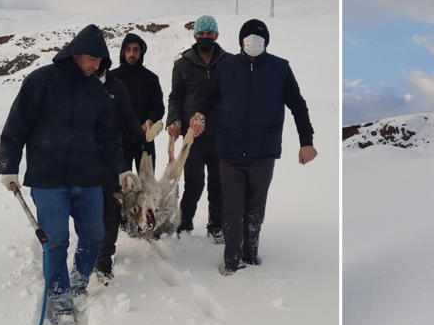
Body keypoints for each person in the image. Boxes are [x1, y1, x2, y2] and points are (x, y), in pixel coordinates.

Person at [0, 24, 133, 325]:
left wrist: (121, 169)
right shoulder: (41, 81)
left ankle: (77, 283)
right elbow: (16, 125)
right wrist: (9, 166)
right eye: (92, 58)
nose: (96, 65)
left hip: (87, 179)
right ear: (76, 52)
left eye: (101, 60)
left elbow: (106, 137)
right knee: (55, 242)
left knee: (95, 235)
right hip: (48, 180)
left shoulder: (97, 91)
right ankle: (59, 302)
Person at [191, 19, 318, 275]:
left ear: (267, 42)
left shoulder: (280, 69)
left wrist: (307, 142)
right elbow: (209, 98)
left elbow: (298, 105)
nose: (253, 42)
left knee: (255, 208)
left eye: (259, 38)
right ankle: (232, 261)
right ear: (240, 41)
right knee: (232, 208)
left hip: (263, 152)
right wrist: (199, 115)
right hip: (230, 150)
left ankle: (250, 256)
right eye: (248, 37)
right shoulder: (226, 67)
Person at [93, 61, 160, 286]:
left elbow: (129, 117)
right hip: (80, 162)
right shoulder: (77, 82)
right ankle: (86, 255)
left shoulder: (117, 87)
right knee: (85, 213)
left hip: (111, 159)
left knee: (110, 212)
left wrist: (144, 137)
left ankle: (103, 262)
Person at [166, 15, 229, 241]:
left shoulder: (228, 63)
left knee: (218, 185)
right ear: (195, 36)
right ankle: (184, 226)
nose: (205, 38)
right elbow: (175, 98)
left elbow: (233, 97)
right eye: (201, 34)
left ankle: (216, 226)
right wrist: (174, 121)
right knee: (193, 184)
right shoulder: (182, 64)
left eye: (209, 34)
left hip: (221, 135)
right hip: (192, 138)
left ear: (216, 36)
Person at [111, 33, 164, 171]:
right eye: (128, 49)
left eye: (135, 50)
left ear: (141, 52)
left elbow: (159, 108)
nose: (131, 54)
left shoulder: (151, 78)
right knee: (120, 187)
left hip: (145, 140)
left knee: (146, 187)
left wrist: (150, 121)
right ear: (123, 51)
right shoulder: (112, 78)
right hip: (119, 142)